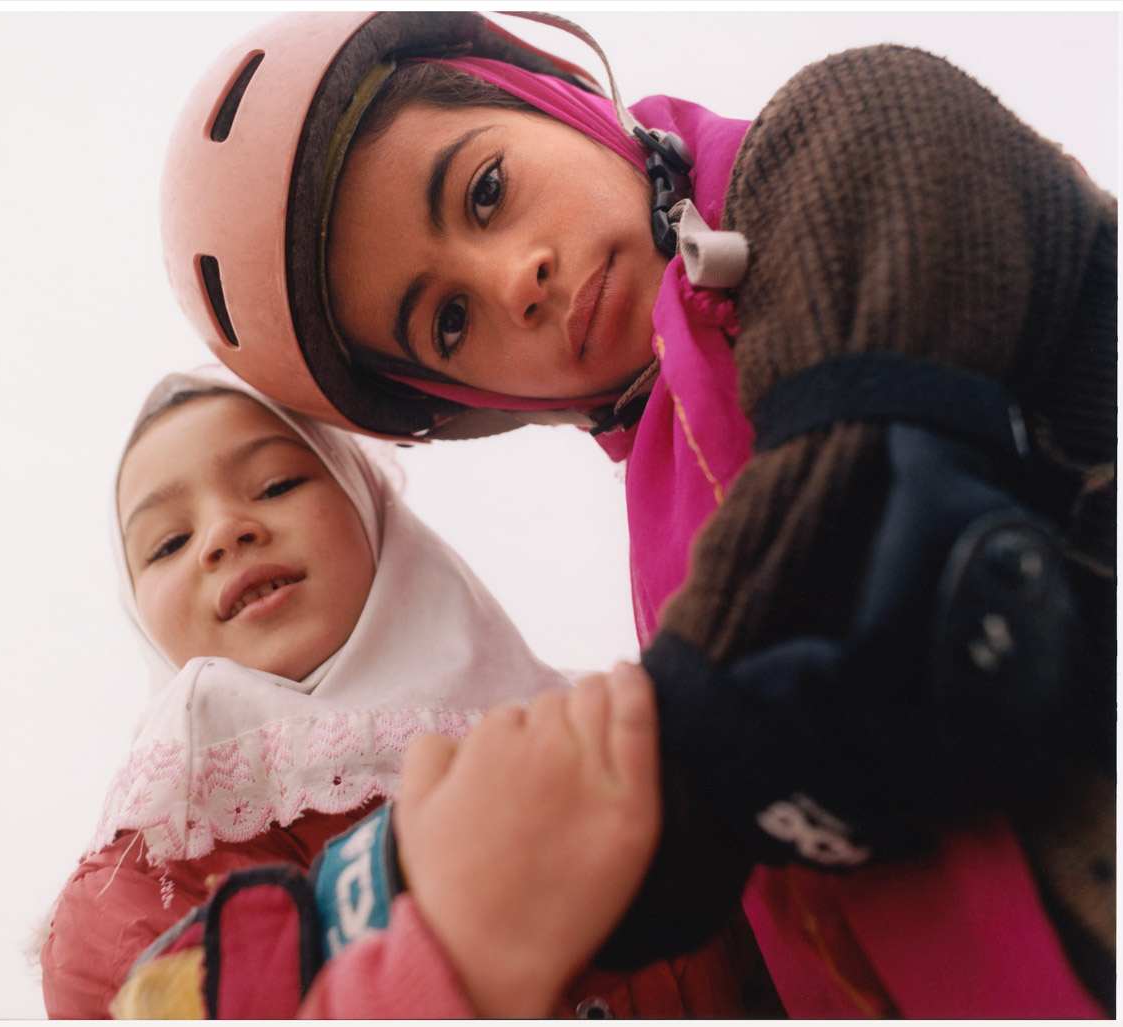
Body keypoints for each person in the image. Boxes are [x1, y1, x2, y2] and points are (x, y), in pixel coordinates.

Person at [156, 12, 1116, 1017]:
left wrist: (399, 890)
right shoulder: (673, 559)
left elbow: (867, 547)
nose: (510, 282)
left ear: (549, 95)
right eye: (448, 321)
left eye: (486, 192)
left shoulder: (848, 137)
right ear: (475, 407)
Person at [38, 363, 751, 1018]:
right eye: (167, 542)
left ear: (369, 505)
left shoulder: (610, 726)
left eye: (277, 484)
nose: (225, 532)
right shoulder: (127, 898)